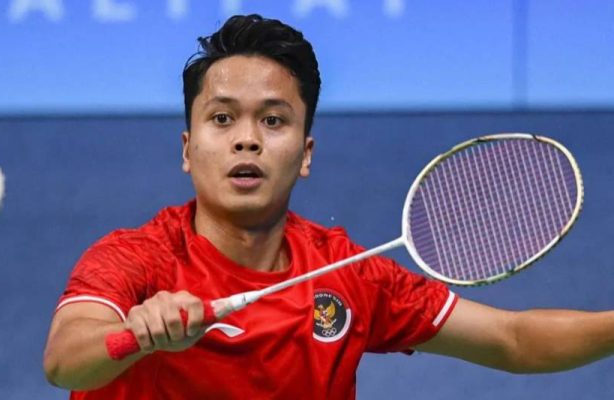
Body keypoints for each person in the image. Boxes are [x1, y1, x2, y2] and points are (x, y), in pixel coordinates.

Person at [43, 14, 613, 399]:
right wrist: (140, 333)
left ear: (306, 154)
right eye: (222, 118)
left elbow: (513, 340)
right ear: (188, 150)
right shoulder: (136, 259)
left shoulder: (347, 273)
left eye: (273, 120)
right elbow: (65, 360)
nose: (247, 140)